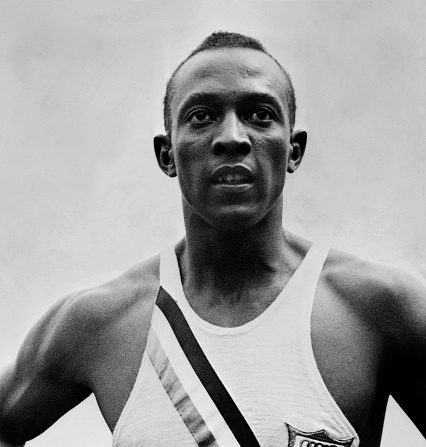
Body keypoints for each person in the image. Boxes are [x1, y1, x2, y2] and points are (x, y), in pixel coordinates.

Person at [0, 31, 425, 447]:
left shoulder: (379, 310)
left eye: (260, 114)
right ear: (167, 154)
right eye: (202, 116)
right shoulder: (99, 324)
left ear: (293, 150)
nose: (232, 138)